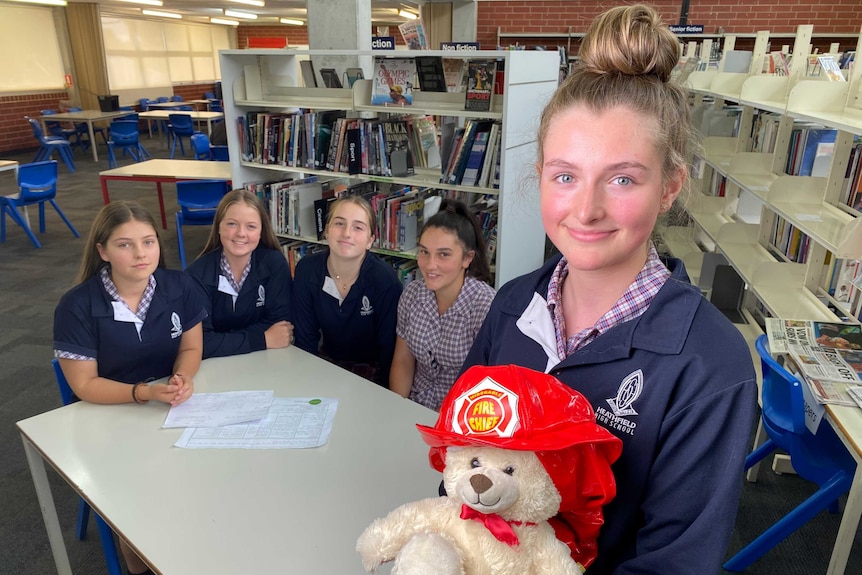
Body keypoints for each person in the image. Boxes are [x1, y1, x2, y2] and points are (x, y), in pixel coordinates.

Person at [461, 5, 758, 574]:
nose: (587, 209)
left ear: (670, 186)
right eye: (565, 175)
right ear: (540, 174)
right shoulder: (512, 305)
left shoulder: (711, 367)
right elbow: (463, 457)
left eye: (622, 178)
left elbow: (674, 565)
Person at [53, 201, 206, 575]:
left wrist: (183, 377)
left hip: (167, 409)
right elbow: (85, 384)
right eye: (125, 245)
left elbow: (190, 347)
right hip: (107, 417)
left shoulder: (179, 285)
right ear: (102, 251)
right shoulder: (77, 306)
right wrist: (144, 393)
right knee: (143, 503)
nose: (141, 253)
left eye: (149, 241)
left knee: (209, 477)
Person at [390, 199, 496, 410]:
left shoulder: (486, 305)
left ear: (467, 259)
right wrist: (397, 410)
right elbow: (403, 361)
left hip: (461, 416)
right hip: (415, 406)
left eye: (444, 254)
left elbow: (490, 385)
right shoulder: (412, 294)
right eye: (424, 252)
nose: (430, 265)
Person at [293, 196, 402, 386]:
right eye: (339, 223)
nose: (347, 233)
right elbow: (305, 342)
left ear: (370, 240)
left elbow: (389, 352)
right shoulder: (306, 270)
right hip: (326, 365)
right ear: (326, 230)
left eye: (358, 227)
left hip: (373, 374)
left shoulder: (385, 281)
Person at [185, 189, 293, 359]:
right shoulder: (196, 275)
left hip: (267, 361)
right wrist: (263, 338)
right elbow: (200, 343)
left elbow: (281, 326)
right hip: (217, 367)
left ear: (261, 231)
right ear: (218, 227)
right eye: (232, 224)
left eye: (251, 226)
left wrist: (222, 339)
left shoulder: (274, 264)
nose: (241, 233)